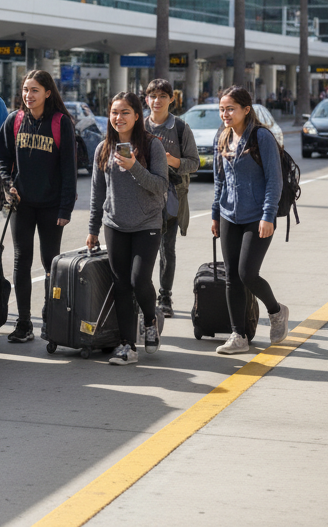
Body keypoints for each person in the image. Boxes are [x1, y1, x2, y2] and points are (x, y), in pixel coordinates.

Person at [0, 69, 77, 343]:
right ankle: (24, 322)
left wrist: (65, 209)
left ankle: (51, 318)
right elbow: (1, 160)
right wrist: (8, 185)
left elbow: (69, 170)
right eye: (25, 90)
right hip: (22, 204)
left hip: (51, 205)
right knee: (21, 260)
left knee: (50, 262)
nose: (28, 95)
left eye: (35, 90)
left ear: (48, 93)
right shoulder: (14, 121)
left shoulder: (61, 122)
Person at [87, 92, 169, 366]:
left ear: (137, 115)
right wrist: (93, 229)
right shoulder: (103, 148)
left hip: (147, 224)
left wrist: (135, 166)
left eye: (125, 112)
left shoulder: (152, 146)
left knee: (138, 281)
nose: (118, 118)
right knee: (121, 285)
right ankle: (127, 346)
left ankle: (149, 319)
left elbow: (160, 186)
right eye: (114, 112)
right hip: (115, 224)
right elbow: (98, 192)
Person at [211, 85, 290, 355]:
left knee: (247, 273)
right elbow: (219, 179)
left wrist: (268, 216)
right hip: (228, 216)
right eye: (222, 108)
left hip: (257, 217)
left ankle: (277, 311)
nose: (225, 113)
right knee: (232, 277)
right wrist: (214, 213)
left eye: (230, 108)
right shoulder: (221, 138)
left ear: (246, 110)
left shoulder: (261, 137)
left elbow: (274, 180)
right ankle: (239, 336)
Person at [144, 78, 200, 318]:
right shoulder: (139, 126)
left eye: (162, 96)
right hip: (142, 199)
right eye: (153, 96)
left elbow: (195, 163)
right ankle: (142, 295)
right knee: (144, 250)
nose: (157, 101)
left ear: (171, 99)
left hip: (171, 199)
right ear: (146, 99)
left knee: (167, 250)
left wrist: (173, 161)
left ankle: (164, 297)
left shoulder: (180, 128)